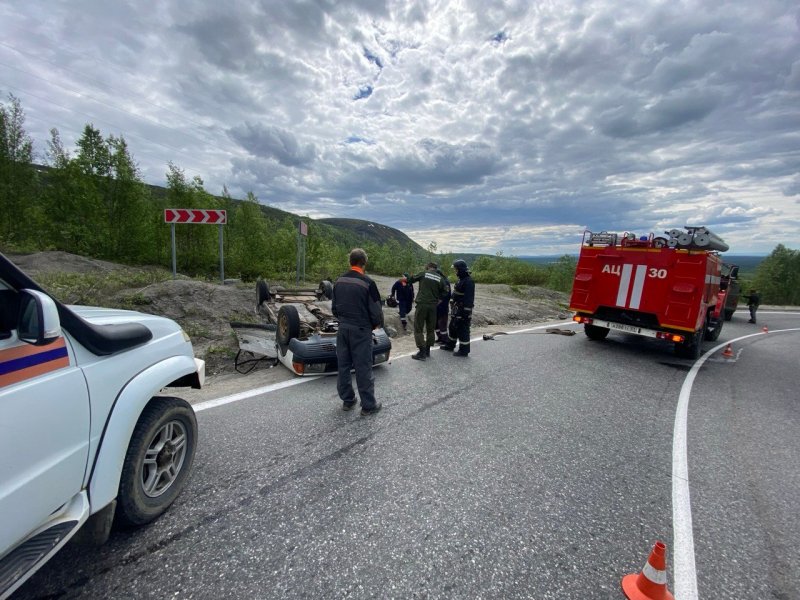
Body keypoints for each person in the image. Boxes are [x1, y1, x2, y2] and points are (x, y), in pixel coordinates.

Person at [331, 248, 383, 415]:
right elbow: (376, 311)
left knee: (344, 365)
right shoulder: (368, 283)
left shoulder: (338, 281)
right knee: (363, 367)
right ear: (364, 263)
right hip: (361, 330)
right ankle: (368, 406)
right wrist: (375, 325)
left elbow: (334, 309)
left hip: (343, 328)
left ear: (350, 262)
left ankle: (348, 400)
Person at [407, 262, 447, 360]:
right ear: (435, 268)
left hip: (422, 305)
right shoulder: (440, 278)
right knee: (430, 329)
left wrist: (408, 275)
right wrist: (439, 300)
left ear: (428, 267)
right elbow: (445, 291)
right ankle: (428, 351)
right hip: (433, 307)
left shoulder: (423, 273)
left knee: (418, 328)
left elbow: (411, 280)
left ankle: (422, 352)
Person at [441, 259, 475, 357]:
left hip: (463, 309)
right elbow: (456, 291)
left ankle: (464, 350)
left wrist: (466, 313)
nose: (455, 272)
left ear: (460, 269)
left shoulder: (469, 281)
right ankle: (450, 345)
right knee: (453, 326)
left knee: (462, 329)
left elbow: (469, 299)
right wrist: (452, 299)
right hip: (457, 308)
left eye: (456, 269)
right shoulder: (461, 279)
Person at [434, 266, 451, 344]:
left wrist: (440, 301)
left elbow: (447, 295)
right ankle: (440, 338)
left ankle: (445, 339)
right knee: (436, 324)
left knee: (442, 324)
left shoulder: (445, 282)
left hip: (443, 306)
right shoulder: (437, 282)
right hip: (436, 306)